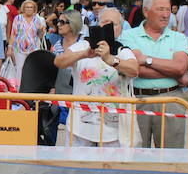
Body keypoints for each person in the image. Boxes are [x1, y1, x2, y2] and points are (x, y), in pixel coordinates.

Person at [54, 9, 137, 146]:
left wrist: (111, 60)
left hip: (113, 128)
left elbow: (134, 70)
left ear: (121, 29)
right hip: (80, 125)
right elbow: (59, 62)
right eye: (104, 22)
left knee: (109, 167)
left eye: (113, 24)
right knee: (78, 166)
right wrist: (84, 54)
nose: (107, 27)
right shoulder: (82, 45)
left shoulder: (123, 51)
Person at [119, 0, 188, 147]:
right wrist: (171, 72)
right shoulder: (128, 36)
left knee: (171, 156)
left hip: (171, 100)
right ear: (146, 11)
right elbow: (134, 69)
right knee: (135, 156)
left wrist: (146, 59)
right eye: (160, 9)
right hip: (137, 100)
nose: (166, 15)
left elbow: (180, 67)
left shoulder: (178, 38)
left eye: (168, 9)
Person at [3, 0, 46, 83]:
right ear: (23, 8)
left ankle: (31, 87)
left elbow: (40, 36)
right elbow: (13, 34)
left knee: (33, 68)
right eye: (27, 7)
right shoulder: (18, 18)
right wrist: (9, 48)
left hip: (33, 48)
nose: (29, 9)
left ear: (34, 9)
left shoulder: (37, 19)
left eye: (31, 7)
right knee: (20, 68)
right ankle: (19, 88)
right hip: (19, 48)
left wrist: (42, 30)